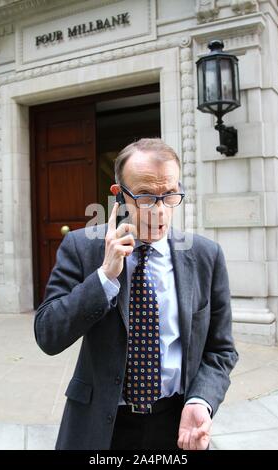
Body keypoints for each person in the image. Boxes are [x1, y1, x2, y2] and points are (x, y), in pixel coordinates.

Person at [35, 138, 238, 451]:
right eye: (145, 196)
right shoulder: (82, 247)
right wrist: (104, 277)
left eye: (169, 195)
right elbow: (48, 334)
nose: (159, 210)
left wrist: (202, 400)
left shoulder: (206, 256)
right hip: (100, 427)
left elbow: (221, 350)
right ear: (119, 194)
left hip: (177, 422)